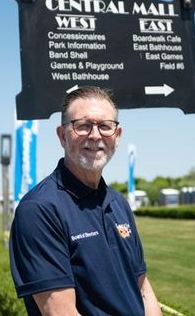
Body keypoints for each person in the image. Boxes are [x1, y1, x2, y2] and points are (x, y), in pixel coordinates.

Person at [10, 86, 161, 316]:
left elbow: (143, 288)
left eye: (104, 126)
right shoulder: (39, 210)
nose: (95, 135)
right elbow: (60, 313)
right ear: (62, 135)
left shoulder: (119, 203)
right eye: (82, 125)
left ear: (117, 136)